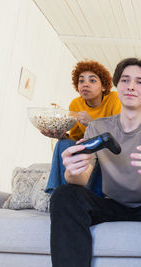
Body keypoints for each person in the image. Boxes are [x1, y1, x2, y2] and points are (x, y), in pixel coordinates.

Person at [49, 58, 141, 267]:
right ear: (117, 86)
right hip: (109, 204)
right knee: (64, 194)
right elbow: (81, 178)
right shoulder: (96, 127)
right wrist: (71, 171)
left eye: (140, 82)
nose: (131, 86)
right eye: (125, 80)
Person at [44, 60, 121, 196]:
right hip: (87, 148)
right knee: (63, 144)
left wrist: (92, 123)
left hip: (107, 151)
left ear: (103, 86)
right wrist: (62, 135)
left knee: (98, 153)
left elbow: (117, 136)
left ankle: (83, 197)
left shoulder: (114, 99)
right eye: (81, 81)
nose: (85, 84)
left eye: (92, 81)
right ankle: (57, 194)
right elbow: (75, 138)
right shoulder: (75, 104)